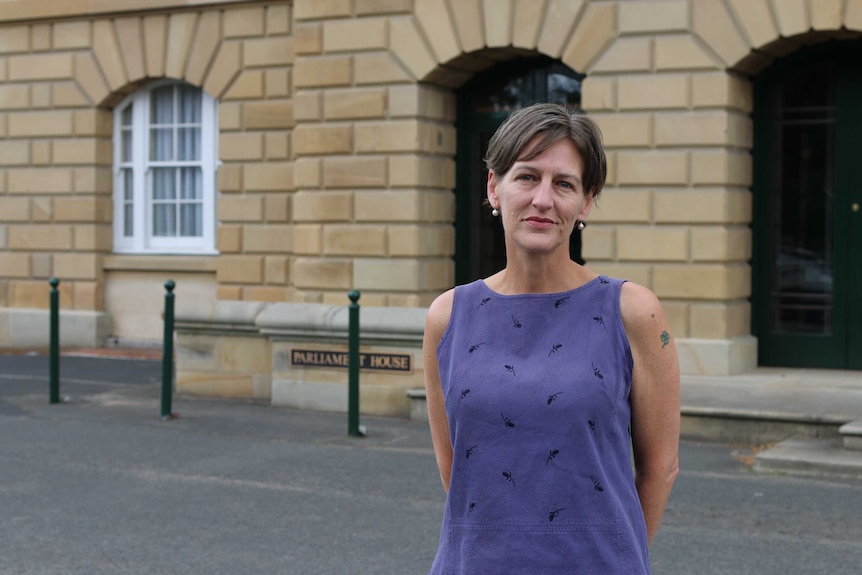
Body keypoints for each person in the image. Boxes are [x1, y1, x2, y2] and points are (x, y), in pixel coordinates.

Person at [422, 103, 680, 574]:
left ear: (584, 202)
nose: (543, 199)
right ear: (493, 187)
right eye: (526, 177)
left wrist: (620, 558)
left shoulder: (633, 312)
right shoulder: (447, 317)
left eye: (564, 183)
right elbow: (456, 470)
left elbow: (661, 465)